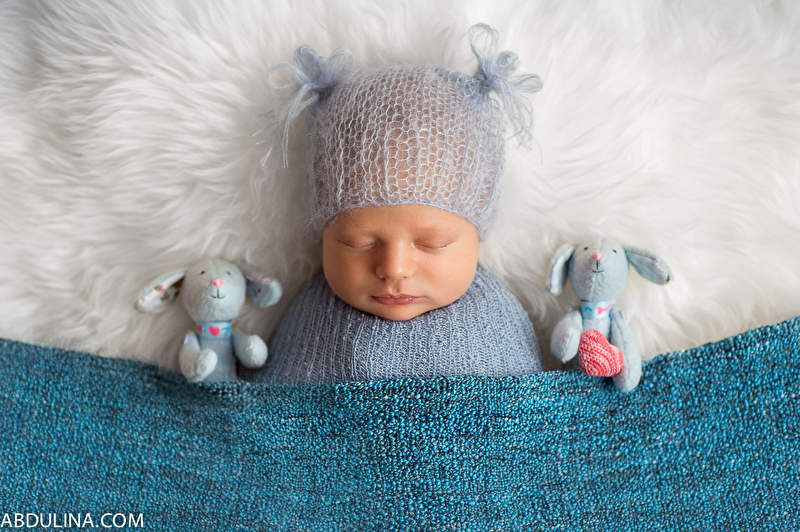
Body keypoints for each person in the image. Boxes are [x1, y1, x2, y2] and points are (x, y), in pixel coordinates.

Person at [255, 24, 544, 385]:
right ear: (323, 233)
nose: (394, 269)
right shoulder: (308, 325)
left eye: (432, 243)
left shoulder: (497, 323)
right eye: (357, 242)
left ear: (478, 233)